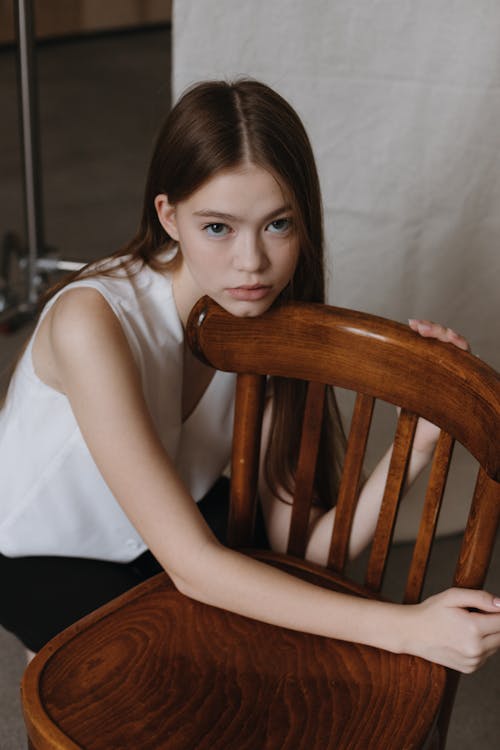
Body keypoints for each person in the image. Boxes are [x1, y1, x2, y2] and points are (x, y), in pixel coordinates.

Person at [1, 79, 499, 671]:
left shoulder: (256, 315)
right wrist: (404, 628)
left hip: (180, 531)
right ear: (169, 216)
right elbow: (194, 566)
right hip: (49, 557)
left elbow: (306, 549)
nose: (252, 262)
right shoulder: (93, 322)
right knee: (223, 680)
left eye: (277, 224)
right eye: (218, 227)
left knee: (289, 657)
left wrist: (414, 445)